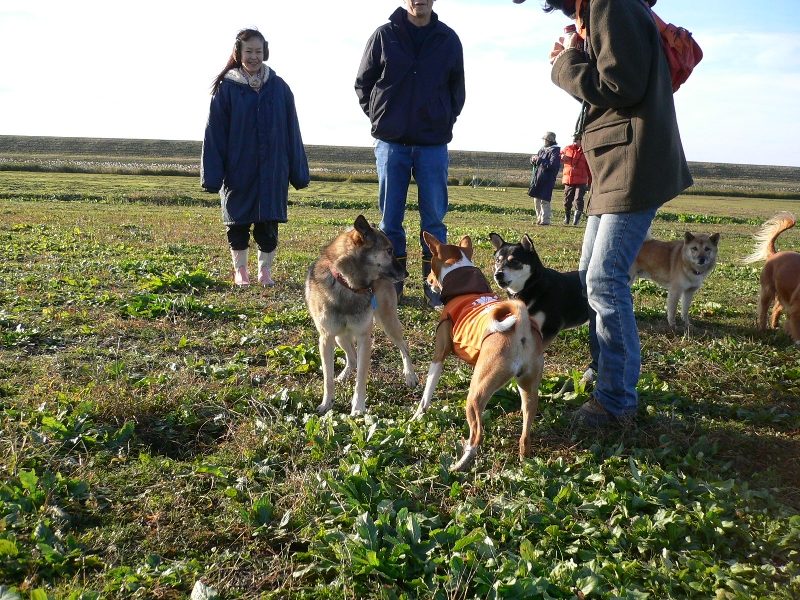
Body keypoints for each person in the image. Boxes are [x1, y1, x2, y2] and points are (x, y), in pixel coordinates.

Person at [515, 0, 692, 425]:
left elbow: (621, 85)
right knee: (589, 275)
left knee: (605, 278)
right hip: (615, 163)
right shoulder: (600, 8)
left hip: (632, 162)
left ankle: (615, 401)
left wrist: (566, 62)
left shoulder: (610, 3)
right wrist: (579, 49)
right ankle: (604, 373)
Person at [354, 0, 466, 307]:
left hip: (433, 144)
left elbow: (457, 90)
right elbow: (363, 84)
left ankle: (435, 285)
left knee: (434, 221)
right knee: (390, 221)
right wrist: (382, 117)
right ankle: (393, 285)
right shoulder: (383, 36)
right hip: (392, 144)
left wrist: (442, 119)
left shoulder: (447, 39)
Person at [201, 28, 309, 287]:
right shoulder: (226, 89)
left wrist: (298, 172)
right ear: (238, 53)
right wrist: (212, 176)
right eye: (248, 51)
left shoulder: (279, 88)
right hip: (238, 169)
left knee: (268, 223)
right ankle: (241, 271)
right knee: (237, 222)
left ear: (265, 52)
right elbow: (214, 134)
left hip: (273, 169)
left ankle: (265, 271)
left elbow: (292, 131)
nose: (253, 57)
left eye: (258, 51)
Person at [527, 132, 561, 226]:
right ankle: (539, 218)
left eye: (545, 139)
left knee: (544, 200)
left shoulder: (555, 151)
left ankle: (545, 220)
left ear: (550, 140)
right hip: (538, 178)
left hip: (548, 179)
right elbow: (537, 161)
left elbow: (552, 165)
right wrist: (533, 160)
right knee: (536, 199)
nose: (544, 141)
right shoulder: (542, 149)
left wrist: (540, 160)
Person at [560, 134, 591, 226]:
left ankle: (576, 221)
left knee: (578, 199)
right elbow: (559, 154)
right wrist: (561, 156)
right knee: (567, 199)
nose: (576, 141)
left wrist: (590, 182)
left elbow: (589, 168)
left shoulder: (587, 151)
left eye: (578, 139)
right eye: (576, 139)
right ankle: (567, 218)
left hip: (581, 180)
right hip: (569, 179)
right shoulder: (568, 148)